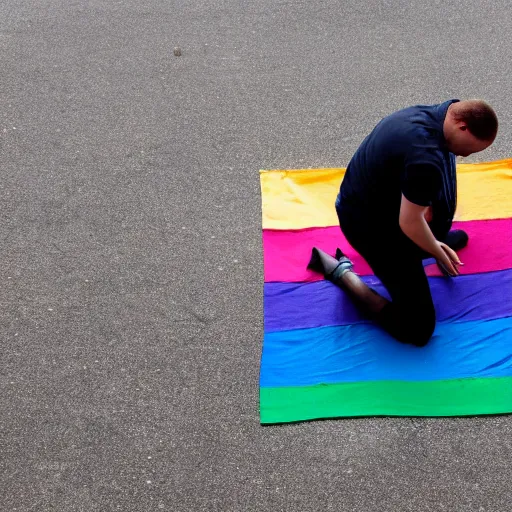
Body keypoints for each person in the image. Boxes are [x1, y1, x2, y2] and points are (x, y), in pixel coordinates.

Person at [308, 99, 498, 347]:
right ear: (462, 126)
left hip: (377, 204)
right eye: (470, 150)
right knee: (418, 329)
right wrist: (435, 249)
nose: (467, 155)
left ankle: (433, 239)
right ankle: (341, 272)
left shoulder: (443, 115)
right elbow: (409, 223)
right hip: (373, 231)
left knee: (450, 238)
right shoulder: (425, 157)